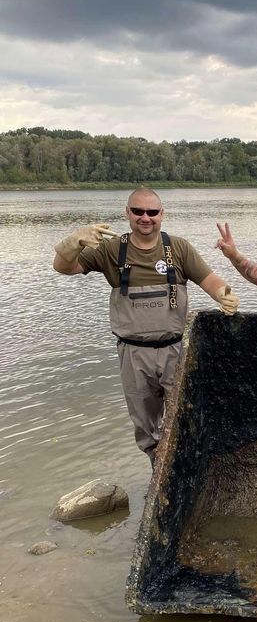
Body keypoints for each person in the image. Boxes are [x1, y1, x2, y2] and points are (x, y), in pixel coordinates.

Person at [52, 187, 239, 465]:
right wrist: (73, 242)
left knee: (186, 414)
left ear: (162, 215)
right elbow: (63, 267)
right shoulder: (111, 250)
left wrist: (225, 295)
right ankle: (157, 468)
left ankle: (188, 465)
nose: (145, 217)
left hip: (175, 350)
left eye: (152, 212)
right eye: (138, 211)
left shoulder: (179, 248)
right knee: (145, 424)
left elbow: (209, 280)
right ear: (127, 213)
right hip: (133, 354)